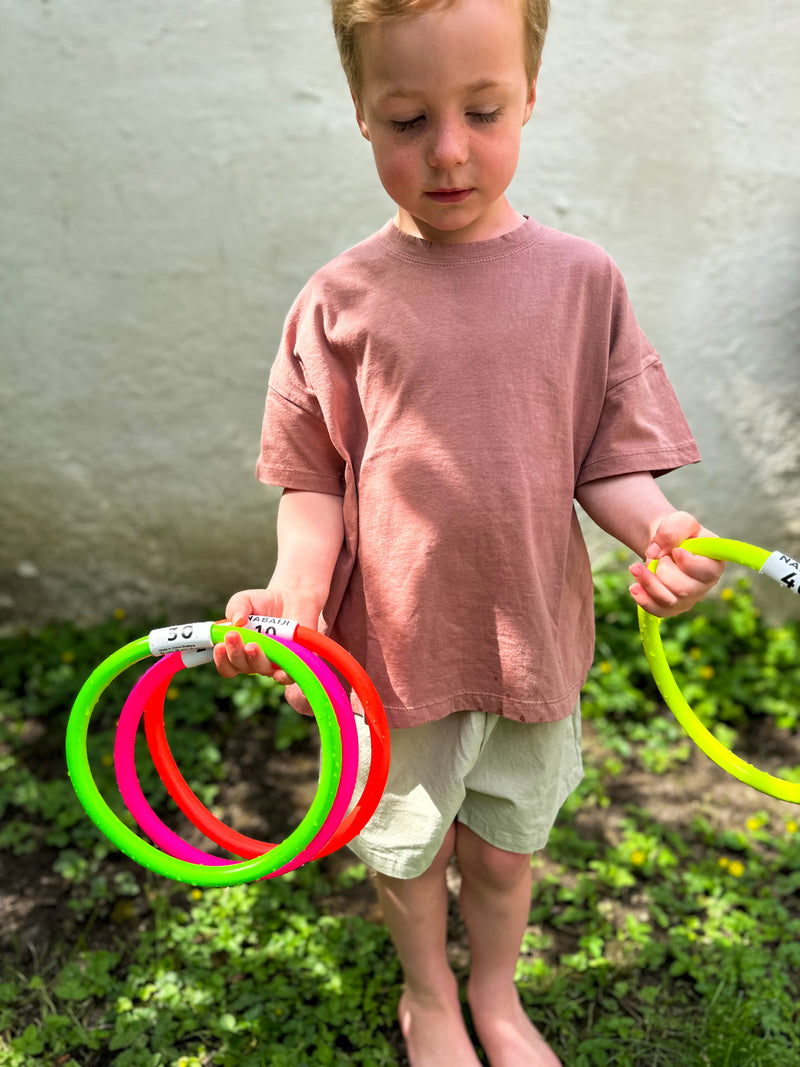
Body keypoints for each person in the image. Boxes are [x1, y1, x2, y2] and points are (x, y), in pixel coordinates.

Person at [214, 1, 724, 1063]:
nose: (447, 151)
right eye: (406, 120)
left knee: (500, 852)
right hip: (388, 659)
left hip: (529, 639)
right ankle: (429, 999)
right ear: (360, 113)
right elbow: (312, 484)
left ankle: (494, 992)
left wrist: (657, 532)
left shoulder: (583, 282)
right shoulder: (336, 302)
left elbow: (607, 463)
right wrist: (295, 587)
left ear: (528, 96)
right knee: (406, 848)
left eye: (482, 110)